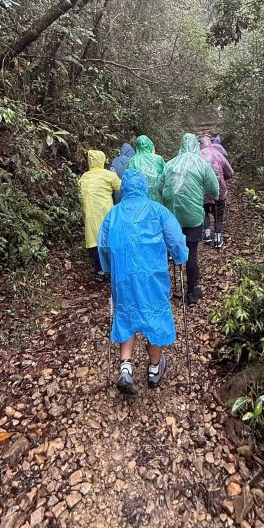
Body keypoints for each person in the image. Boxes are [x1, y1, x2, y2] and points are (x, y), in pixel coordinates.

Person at [98, 169, 188, 395]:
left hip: (123, 278)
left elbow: (103, 246)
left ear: (124, 189)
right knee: (155, 315)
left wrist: (110, 268)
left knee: (125, 314)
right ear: (144, 187)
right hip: (152, 278)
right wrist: (180, 256)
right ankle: (154, 369)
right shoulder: (158, 211)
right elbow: (176, 239)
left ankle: (126, 367)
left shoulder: (113, 214)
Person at [160, 133, 219, 305]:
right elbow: (214, 188)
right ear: (195, 146)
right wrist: (213, 196)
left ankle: (176, 289)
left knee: (173, 251)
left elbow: (161, 187)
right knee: (191, 252)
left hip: (173, 216)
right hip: (193, 216)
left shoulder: (170, 164)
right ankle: (192, 291)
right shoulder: (202, 164)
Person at [78, 150, 121, 280]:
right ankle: (112, 268)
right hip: (106, 212)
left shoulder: (84, 177)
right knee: (109, 238)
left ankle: (99, 270)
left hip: (90, 214)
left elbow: (81, 197)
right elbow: (121, 187)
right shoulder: (109, 175)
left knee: (94, 241)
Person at [200, 135, 234, 248]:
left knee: (204, 211)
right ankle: (218, 239)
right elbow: (230, 172)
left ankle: (207, 235)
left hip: (203, 191)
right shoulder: (218, 153)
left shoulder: (197, 156)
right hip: (219, 190)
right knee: (219, 214)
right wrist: (223, 178)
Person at [128, 134, 165, 202]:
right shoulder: (158, 159)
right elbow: (165, 177)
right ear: (150, 145)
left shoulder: (132, 161)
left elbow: (129, 180)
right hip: (157, 197)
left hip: (139, 198)